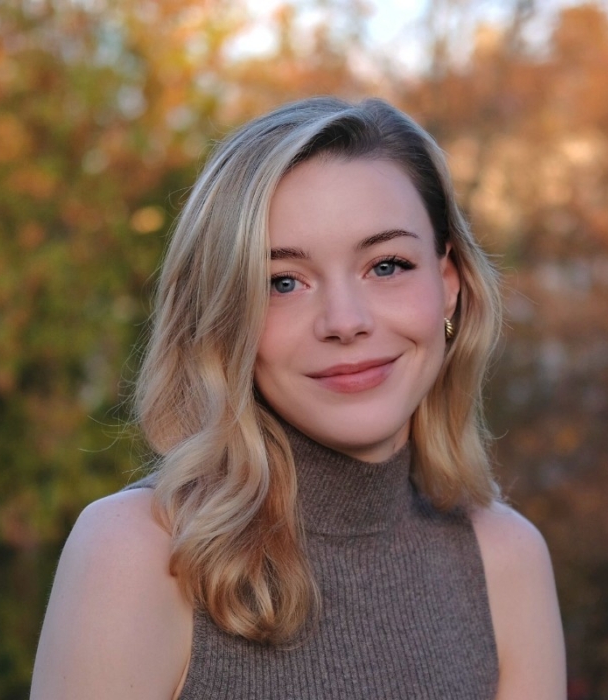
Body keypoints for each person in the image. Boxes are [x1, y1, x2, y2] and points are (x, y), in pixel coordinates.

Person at [30, 97, 566, 699]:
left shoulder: (506, 562)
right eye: (283, 282)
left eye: (387, 266)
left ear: (448, 286)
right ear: (224, 317)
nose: (345, 321)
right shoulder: (139, 553)